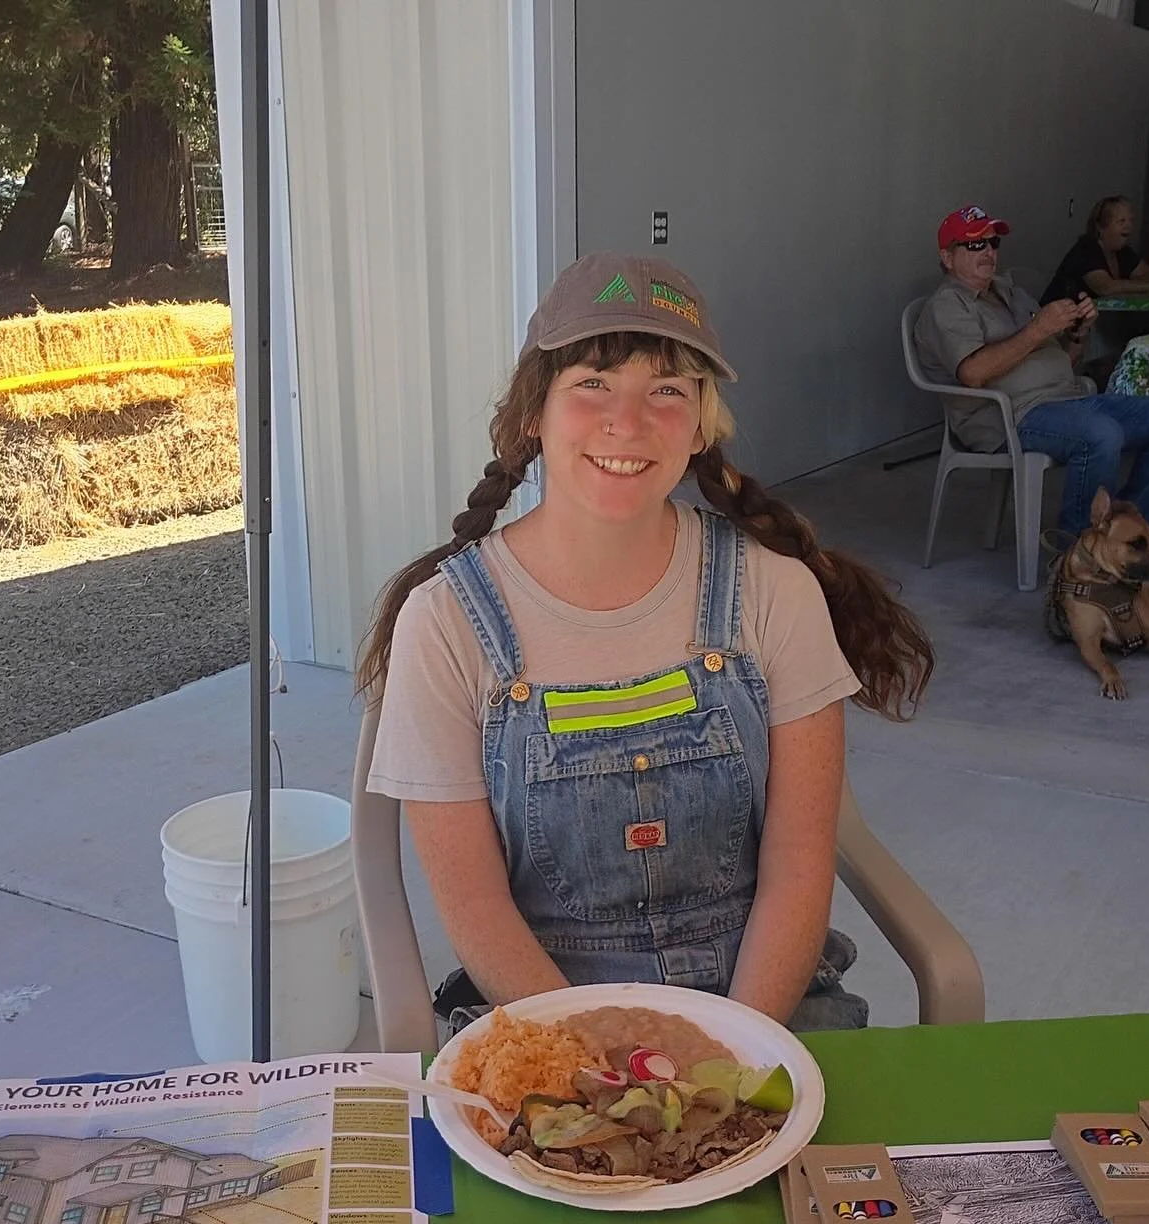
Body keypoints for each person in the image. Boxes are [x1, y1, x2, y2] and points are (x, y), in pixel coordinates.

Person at [359, 252, 934, 1035]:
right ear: (535, 412)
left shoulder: (773, 590)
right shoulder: (445, 621)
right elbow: (478, 911)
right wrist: (607, 1067)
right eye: (592, 383)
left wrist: (729, 1053)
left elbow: (799, 872)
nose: (627, 423)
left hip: (761, 1005)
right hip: (545, 1020)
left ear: (701, 424)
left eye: (667, 390)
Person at [914, 205, 1149, 538]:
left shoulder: (1008, 289)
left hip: (1065, 399)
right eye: (974, 244)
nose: (987, 251)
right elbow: (973, 373)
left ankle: (1126, 537)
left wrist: (1078, 331)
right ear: (947, 257)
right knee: (1101, 434)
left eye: (992, 243)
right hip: (1011, 416)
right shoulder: (947, 304)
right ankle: (1077, 548)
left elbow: (1064, 359)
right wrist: (1038, 329)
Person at [1041, 197, 1149, 304]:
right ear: (1101, 227)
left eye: (1131, 220)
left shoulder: (1124, 252)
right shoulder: (1086, 249)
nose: (1129, 226)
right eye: (1121, 221)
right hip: (1058, 325)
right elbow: (1105, 288)